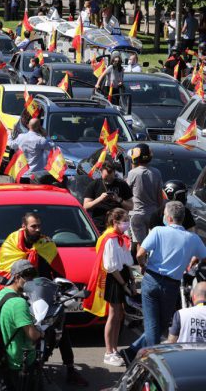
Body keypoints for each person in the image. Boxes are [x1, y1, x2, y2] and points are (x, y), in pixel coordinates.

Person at [0, 214, 87, 386]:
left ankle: (70, 369)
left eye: (39, 226)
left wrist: (63, 286)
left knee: (61, 329)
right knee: (7, 326)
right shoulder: (11, 243)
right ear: (24, 226)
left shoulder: (46, 244)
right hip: (22, 295)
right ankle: (5, 362)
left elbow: (58, 270)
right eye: (33, 227)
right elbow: (5, 271)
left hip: (44, 294)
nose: (37, 230)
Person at [121, 201, 206, 363]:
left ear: (168, 217)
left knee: (155, 326)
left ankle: (143, 357)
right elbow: (204, 255)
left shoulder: (158, 231)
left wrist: (143, 266)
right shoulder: (192, 238)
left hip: (152, 280)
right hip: (171, 285)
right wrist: (193, 260)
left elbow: (140, 254)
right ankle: (146, 358)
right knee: (158, 325)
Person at [82, 208, 135, 367]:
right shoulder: (110, 239)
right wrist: (124, 284)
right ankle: (108, 351)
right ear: (115, 222)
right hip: (115, 279)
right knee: (113, 315)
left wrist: (131, 279)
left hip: (123, 275)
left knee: (119, 315)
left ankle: (115, 349)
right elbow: (111, 266)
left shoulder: (121, 238)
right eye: (124, 221)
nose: (126, 224)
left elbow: (127, 260)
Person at [0, 259, 42, 390]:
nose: (30, 281)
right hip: (18, 363)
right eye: (27, 277)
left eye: (32, 278)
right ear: (16, 277)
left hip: (2, 358)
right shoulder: (19, 303)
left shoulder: (1, 294)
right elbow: (33, 335)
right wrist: (40, 331)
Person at [126, 143, 163, 250]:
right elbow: (159, 196)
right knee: (153, 243)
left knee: (141, 244)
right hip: (153, 213)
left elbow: (127, 191)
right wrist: (159, 211)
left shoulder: (133, 173)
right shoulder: (157, 172)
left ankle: (142, 265)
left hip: (137, 213)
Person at [82, 160, 133, 231]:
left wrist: (118, 199)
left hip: (117, 226)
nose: (108, 180)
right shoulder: (94, 184)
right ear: (100, 172)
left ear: (114, 172)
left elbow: (131, 206)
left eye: (111, 178)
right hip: (99, 225)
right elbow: (86, 206)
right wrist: (100, 199)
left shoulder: (122, 184)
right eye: (106, 178)